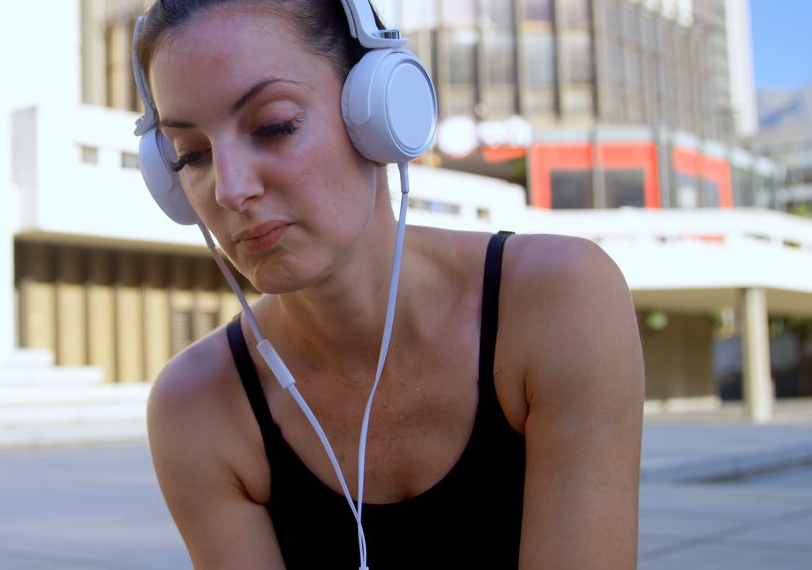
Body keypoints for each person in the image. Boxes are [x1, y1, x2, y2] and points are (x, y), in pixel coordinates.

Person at [135, 1, 645, 568]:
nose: (229, 189)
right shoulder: (198, 405)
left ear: (378, 110)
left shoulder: (560, 301)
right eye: (191, 156)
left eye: (274, 125)